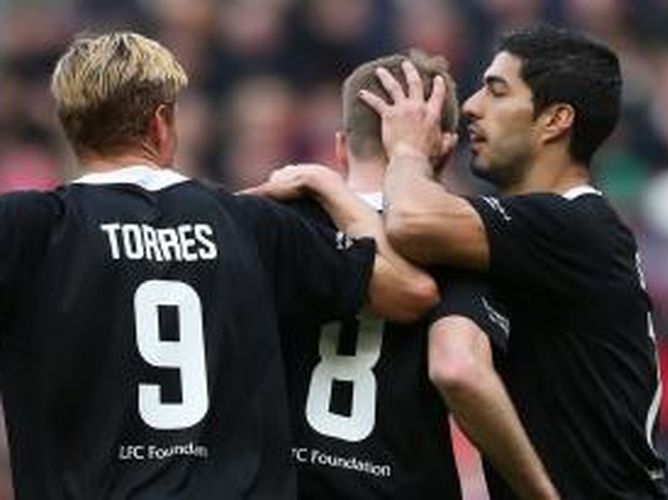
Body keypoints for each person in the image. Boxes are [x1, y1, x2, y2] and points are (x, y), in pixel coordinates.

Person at [0, 32, 432, 500]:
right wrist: (332, 189)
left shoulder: (27, 227)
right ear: (161, 122)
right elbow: (410, 294)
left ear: (69, 124)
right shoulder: (249, 224)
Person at [359, 25, 668, 498]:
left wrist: (407, 150)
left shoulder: (574, 225)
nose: (470, 106)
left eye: (496, 91)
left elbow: (412, 220)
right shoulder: (533, 240)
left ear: (555, 121)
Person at [250, 52, 557, 499]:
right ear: (447, 150)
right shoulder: (465, 245)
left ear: (340, 146)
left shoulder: (269, 226)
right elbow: (461, 370)